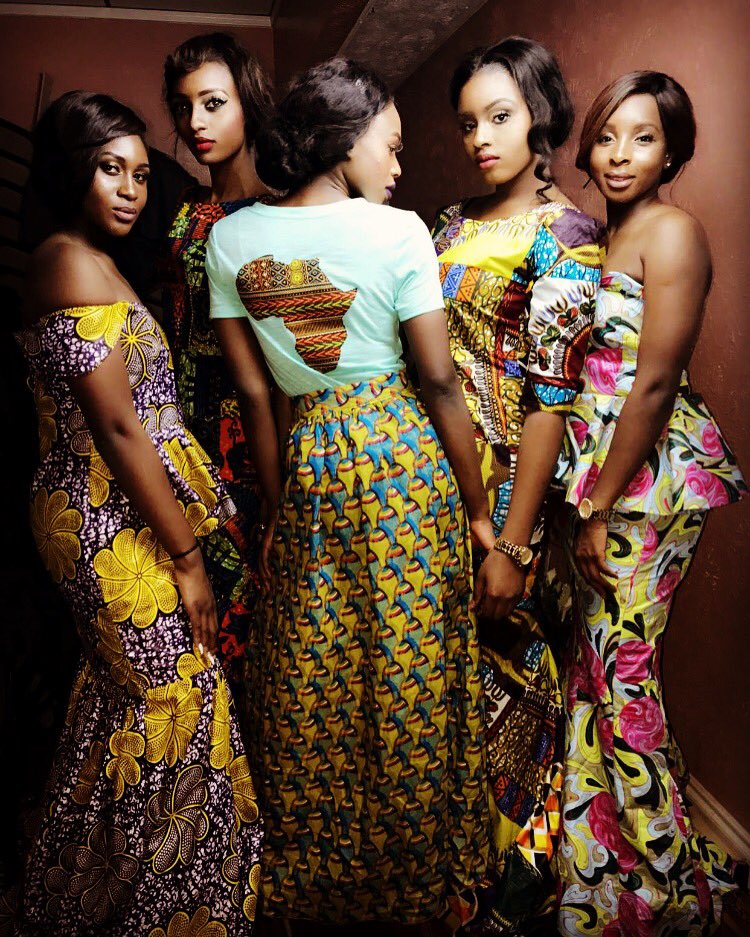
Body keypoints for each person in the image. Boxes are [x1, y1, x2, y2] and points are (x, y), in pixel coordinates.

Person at [206, 57, 500, 926]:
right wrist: (477, 510)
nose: (399, 165)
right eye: (392, 145)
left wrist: (275, 506)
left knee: (313, 667)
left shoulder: (229, 240)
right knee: (409, 666)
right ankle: (414, 874)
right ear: (345, 141)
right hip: (402, 458)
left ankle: (324, 871)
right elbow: (439, 383)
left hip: (309, 459)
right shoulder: (399, 231)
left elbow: (257, 393)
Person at [15, 90, 262, 935]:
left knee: (120, 701)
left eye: (139, 172)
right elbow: (119, 428)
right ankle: (156, 911)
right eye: (107, 169)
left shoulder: (97, 259)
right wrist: (188, 559)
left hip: (121, 510)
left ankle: (76, 897)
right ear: (70, 174)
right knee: (177, 691)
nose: (129, 188)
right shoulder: (67, 261)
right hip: (98, 517)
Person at [556, 71, 747, 936]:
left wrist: (598, 507)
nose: (620, 154)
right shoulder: (608, 233)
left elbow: (657, 382)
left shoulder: (672, 231)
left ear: (673, 152)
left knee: (622, 675)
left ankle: (666, 888)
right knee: (599, 672)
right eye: (607, 136)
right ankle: (613, 868)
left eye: (643, 137)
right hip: (604, 480)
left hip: (645, 486)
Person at [431, 36, 603, 933]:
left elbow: (550, 396)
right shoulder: (448, 224)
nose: (480, 139)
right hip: (437, 483)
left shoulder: (567, 234)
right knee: (452, 683)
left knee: (519, 685)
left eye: (498, 116)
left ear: (537, 113)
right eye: (468, 123)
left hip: (511, 491)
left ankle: (516, 891)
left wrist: (515, 537)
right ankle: (456, 873)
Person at [161, 33, 274, 679]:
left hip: (244, 440)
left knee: (244, 620)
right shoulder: (186, 211)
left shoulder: (272, 214)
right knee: (191, 621)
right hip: (185, 429)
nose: (195, 123)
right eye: (183, 107)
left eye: (212, 103)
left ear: (247, 104)